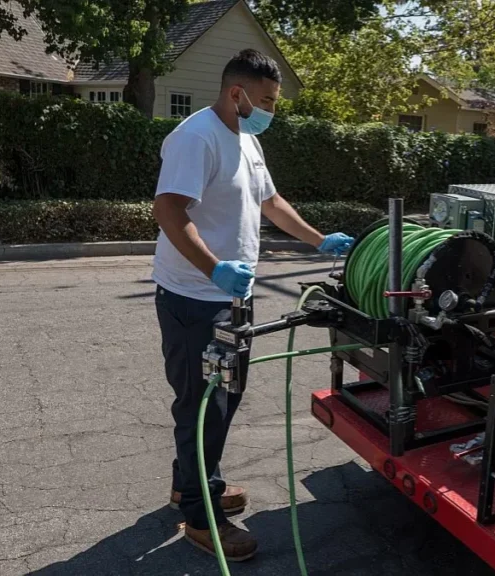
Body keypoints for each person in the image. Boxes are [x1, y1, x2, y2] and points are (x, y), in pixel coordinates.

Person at [151, 48, 353, 561]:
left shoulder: (247, 138)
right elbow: (168, 209)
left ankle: (190, 485)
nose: (271, 111)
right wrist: (213, 268)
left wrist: (319, 239)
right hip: (195, 298)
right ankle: (201, 516)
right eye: (266, 101)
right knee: (203, 404)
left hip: (232, 296)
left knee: (225, 395)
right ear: (236, 93)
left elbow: (270, 202)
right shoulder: (196, 137)